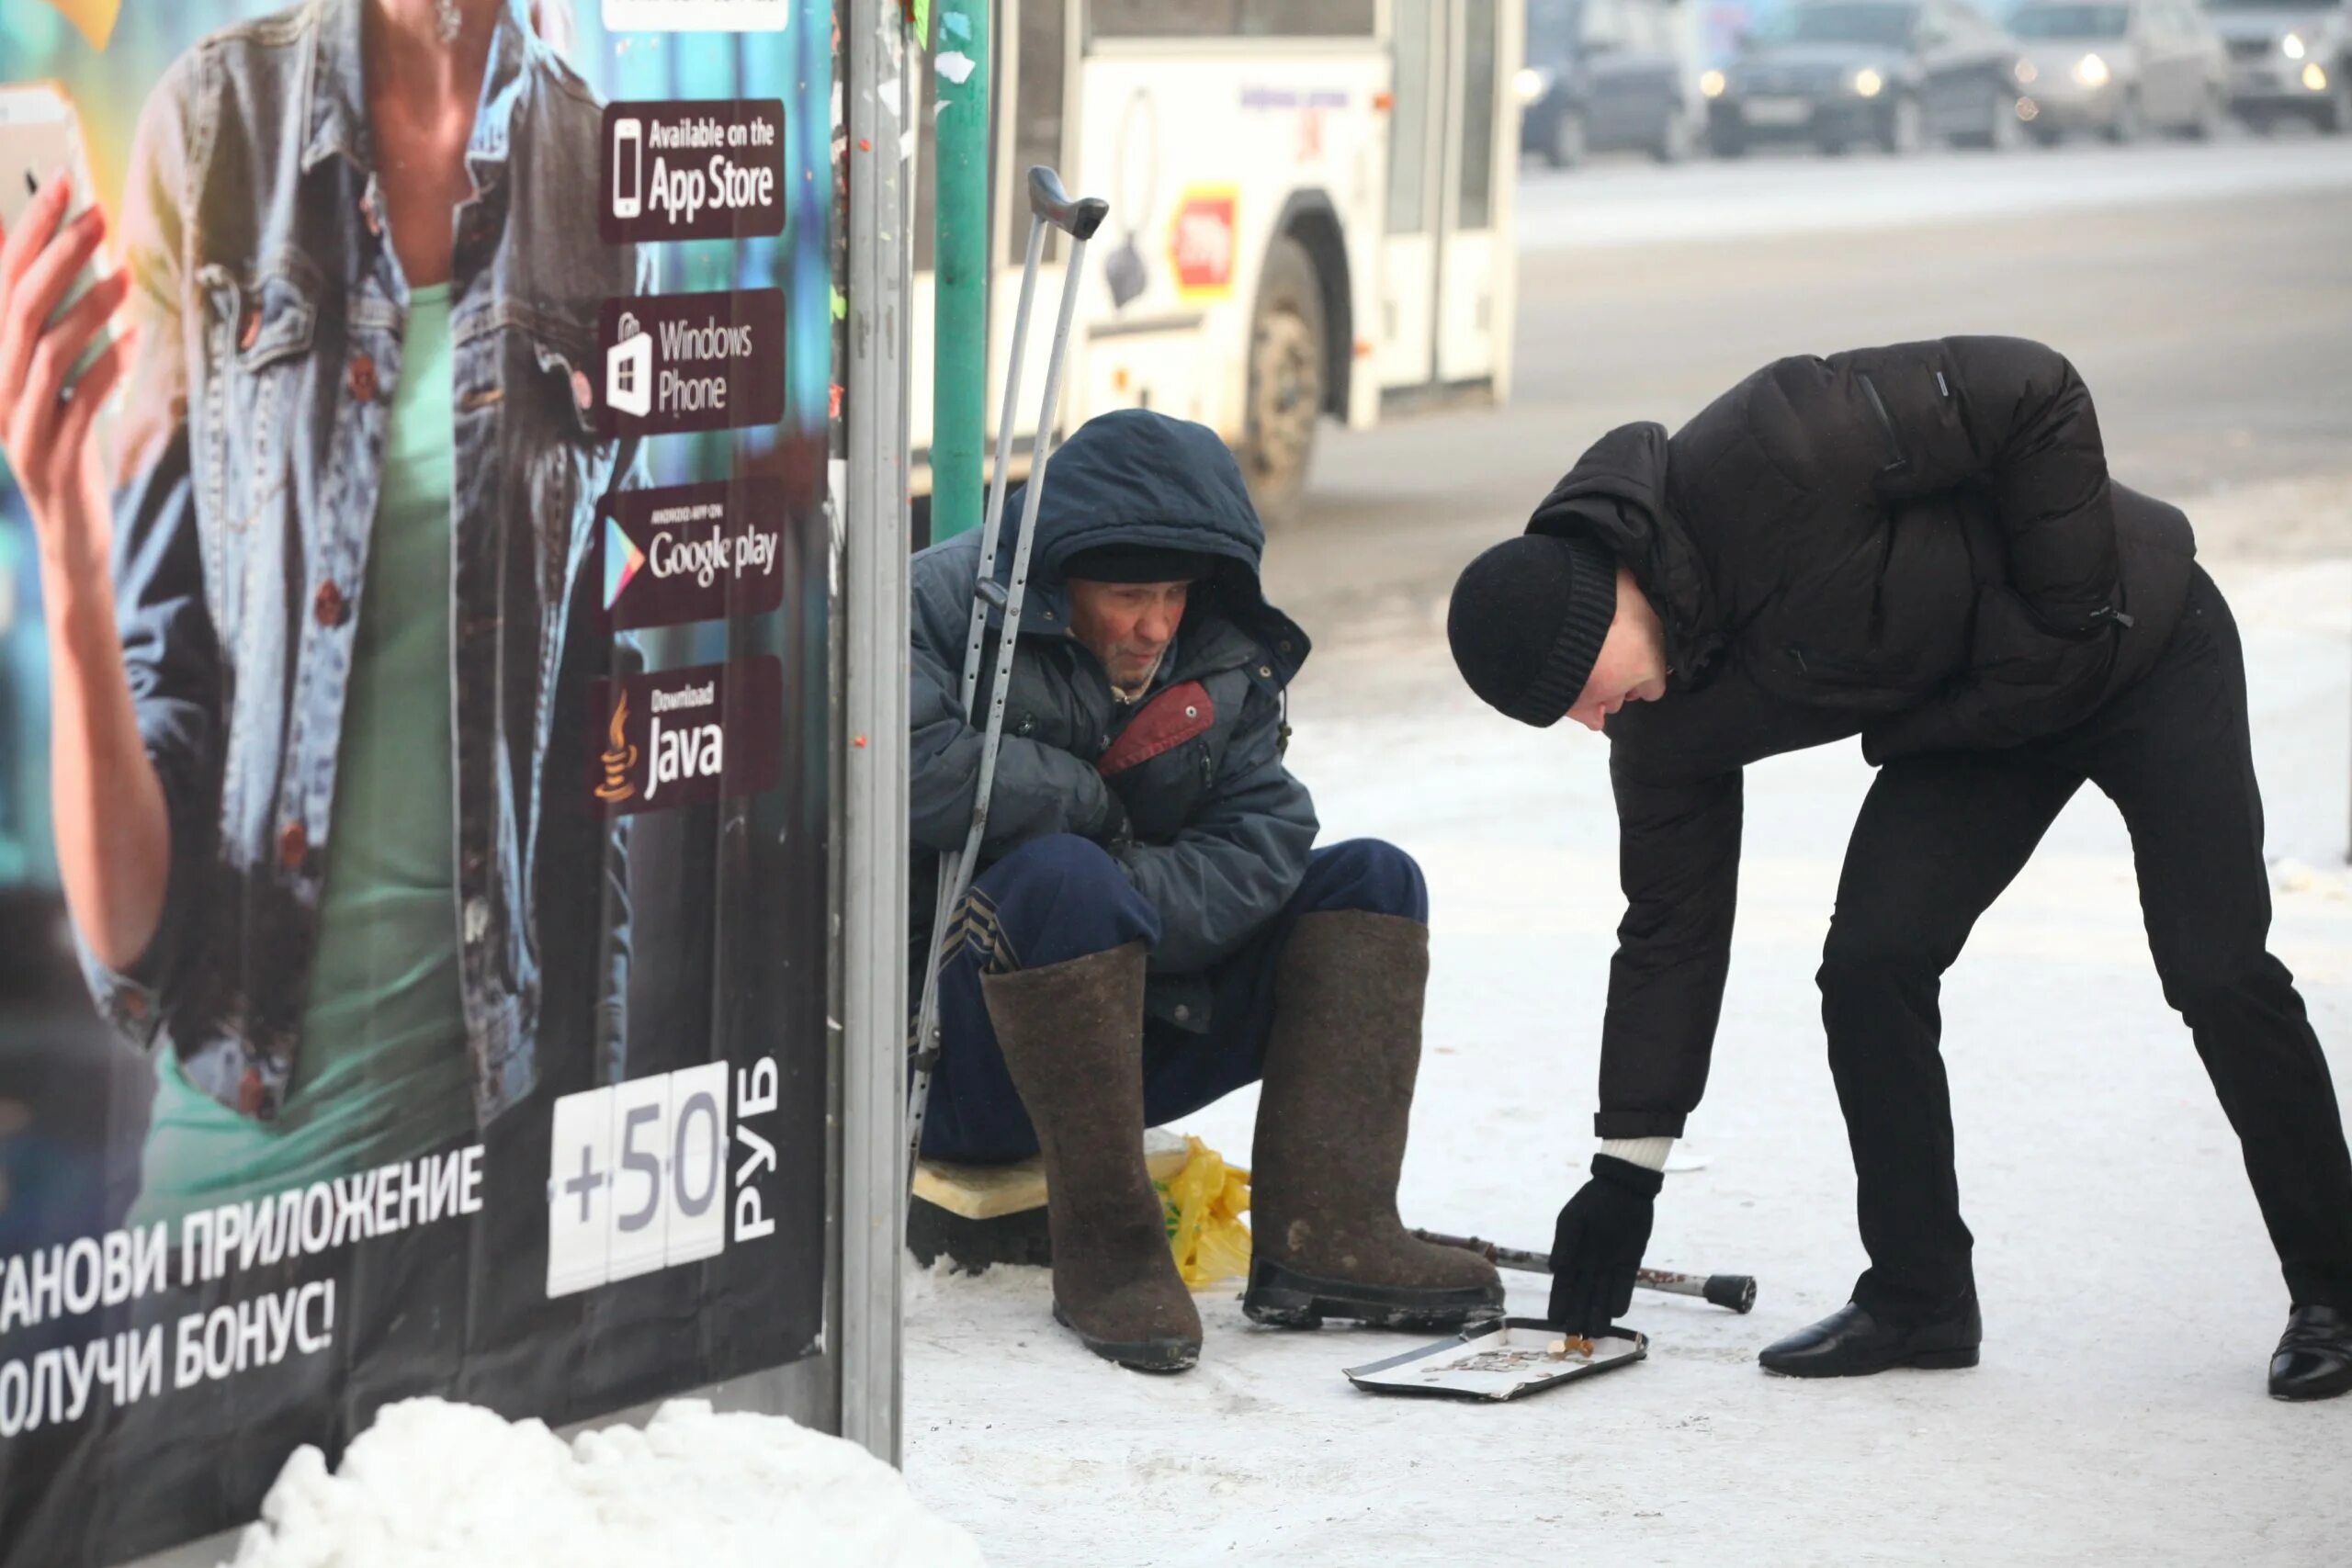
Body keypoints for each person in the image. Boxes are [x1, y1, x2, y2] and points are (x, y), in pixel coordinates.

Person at [1444, 335, 2352, 1400]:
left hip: (2136, 642)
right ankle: (1919, 1296)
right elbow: (1670, 932)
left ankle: (2333, 1287)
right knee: (1870, 966)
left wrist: (2060, 623)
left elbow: (2033, 390)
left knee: (2214, 967)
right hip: (1979, 725)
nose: (1587, 724)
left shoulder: (1770, 445)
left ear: (1596, 610)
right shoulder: (1662, 729)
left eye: (1575, 693)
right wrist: (1624, 1171)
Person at [0, 0, 634, 1224]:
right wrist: (67, 527)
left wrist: (586, 1203)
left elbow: (589, 757)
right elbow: (132, 936)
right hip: (241, 1190)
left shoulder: (595, 166)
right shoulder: (213, 124)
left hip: (488, 1177)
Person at [910, 408, 1501, 1372]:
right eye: (1129, 594)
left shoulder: (1222, 653)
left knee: (1371, 880)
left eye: (1175, 593)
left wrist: (1124, 894)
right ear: (1060, 580)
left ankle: (1328, 1240)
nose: (1155, 624)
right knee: (1065, 879)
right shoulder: (936, 608)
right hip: (949, 1050)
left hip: (1132, 1013)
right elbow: (908, 764)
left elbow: (1263, 840)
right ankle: (1107, 1259)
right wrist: (1086, 810)